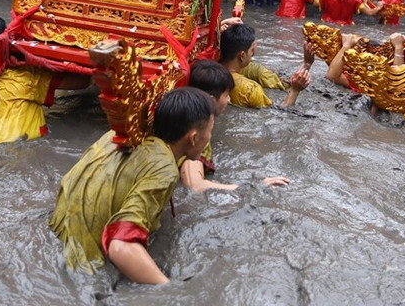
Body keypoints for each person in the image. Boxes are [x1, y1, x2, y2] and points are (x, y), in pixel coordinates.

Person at [49, 86, 216, 283]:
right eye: (210, 132)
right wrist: (171, 291)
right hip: (84, 269)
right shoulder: (165, 170)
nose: (210, 138)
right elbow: (120, 247)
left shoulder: (122, 133)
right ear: (194, 137)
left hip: (57, 231)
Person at [179, 60, 290, 193]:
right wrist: (253, 187)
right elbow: (194, 185)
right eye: (226, 95)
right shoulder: (196, 133)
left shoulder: (189, 117)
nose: (229, 100)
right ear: (212, 100)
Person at [218, 23, 309, 108]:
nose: (253, 54)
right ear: (242, 56)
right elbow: (279, 113)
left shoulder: (210, 72)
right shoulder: (250, 90)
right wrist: (295, 91)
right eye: (251, 51)